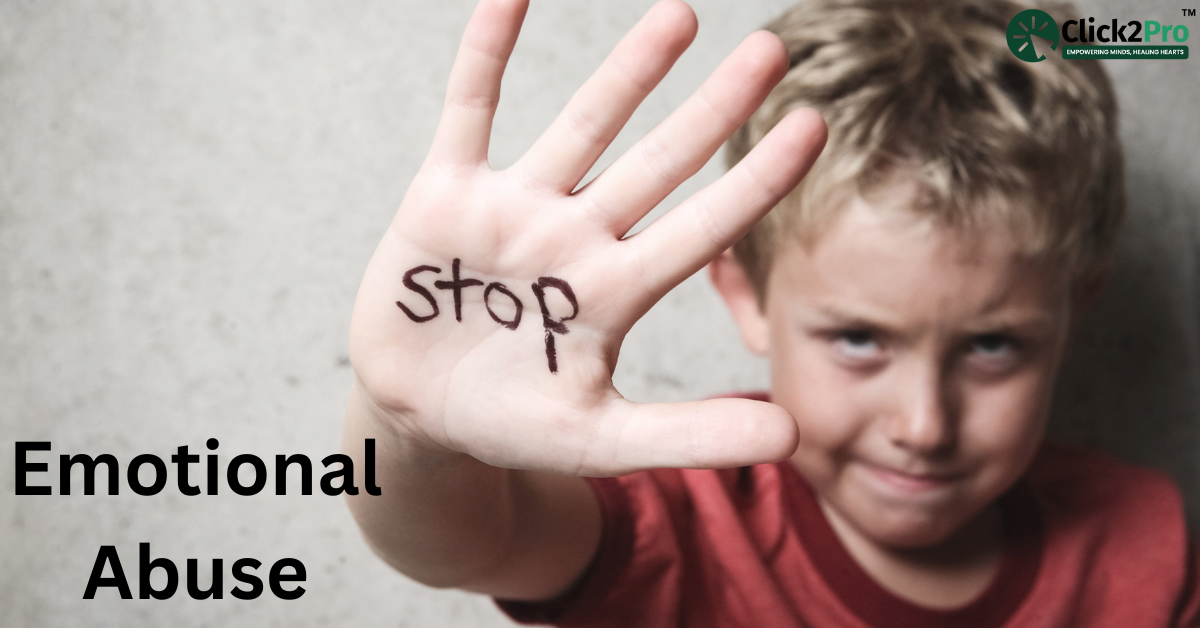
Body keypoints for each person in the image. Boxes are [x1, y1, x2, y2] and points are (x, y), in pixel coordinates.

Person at [340, 0, 1200, 624]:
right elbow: (467, 542)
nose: (924, 424)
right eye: (859, 338)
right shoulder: (685, 517)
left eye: (993, 346)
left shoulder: (1142, 542)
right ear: (745, 296)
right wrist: (405, 425)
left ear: (1075, 308)